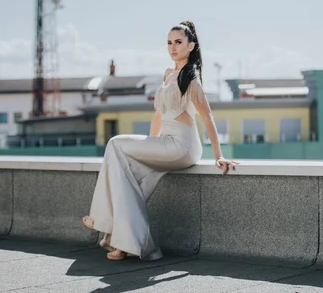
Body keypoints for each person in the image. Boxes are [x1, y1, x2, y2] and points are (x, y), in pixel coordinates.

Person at [81, 20, 238, 261]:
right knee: (128, 175)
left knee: (114, 143)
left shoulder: (191, 79)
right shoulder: (168, 74)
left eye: (178, 42)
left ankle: (102, 219)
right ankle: (123, 244)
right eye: (169, 42)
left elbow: (208, 117)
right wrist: (148, 147)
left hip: (181, 146)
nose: (173, 47)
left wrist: (218, 156)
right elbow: (158, 115)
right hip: (165, 143)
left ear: (191, 46)